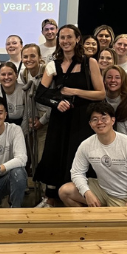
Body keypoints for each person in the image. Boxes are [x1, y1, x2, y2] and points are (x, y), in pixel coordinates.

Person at [34, 25, 105, 204]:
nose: (65, 41)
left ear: (77, 39)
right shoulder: (53, 64)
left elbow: (101, 94)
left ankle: (79, 197)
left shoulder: (90, 63)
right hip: (61, 119)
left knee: (78, 158)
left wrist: (74, 91)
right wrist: (57, 102)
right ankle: (53, 200)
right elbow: (40, 95)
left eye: (69, 37)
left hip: (83, 120)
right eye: (62, 38)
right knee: (57, 157)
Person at [60, 102, 127, 207]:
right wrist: (87, 193)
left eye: (103, 118)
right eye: (95, 119)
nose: (99, 122)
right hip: (103, 190)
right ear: (90, 124)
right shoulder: (86, 145)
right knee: (65, 191)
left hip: (126, 197)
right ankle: (87, 223)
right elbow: (76, 172)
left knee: (114, 222)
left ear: (113, 120)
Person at [20, 44, 50, 165]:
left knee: (43, 157)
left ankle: (44, 184)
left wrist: (42, 120)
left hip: (47, 118)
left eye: (32, 56)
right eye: (25, 56)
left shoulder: (48, 73)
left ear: (39, 57)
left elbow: (54, 102)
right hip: (32, 115)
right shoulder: (25, 74)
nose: (29, 59)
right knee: (30, 154)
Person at [0, 62, 27, 134]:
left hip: (21, 130)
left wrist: (21, 135)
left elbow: (27, 117)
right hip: (0, 130)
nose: (6, 77)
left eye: (10, 74)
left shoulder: (23, 91)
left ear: (16, 76)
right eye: (3, 74)